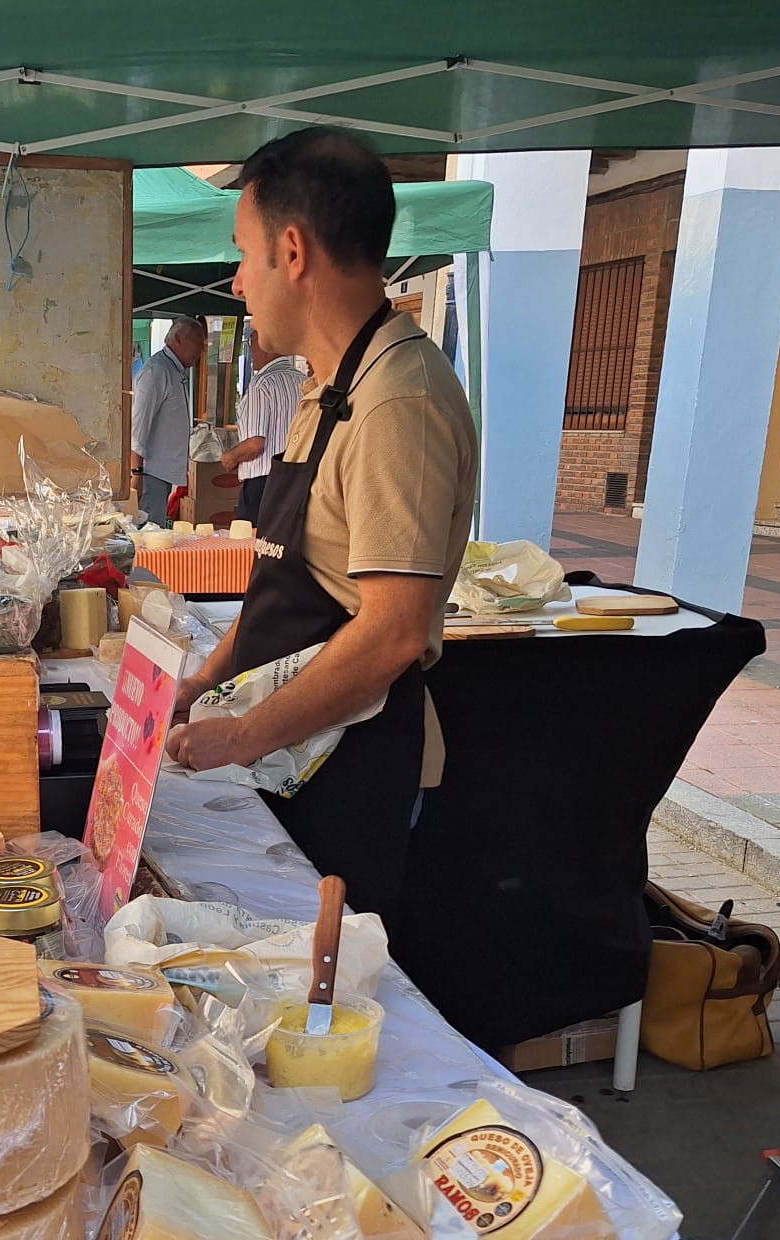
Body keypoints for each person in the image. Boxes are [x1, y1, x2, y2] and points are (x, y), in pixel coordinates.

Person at [165, 127, 478, 941]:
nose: (237, 282)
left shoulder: (396, 402)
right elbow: (285, 582)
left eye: (243, 253)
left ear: (293, 251)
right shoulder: (325, 389)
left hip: (348, 768)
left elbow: (394, 631)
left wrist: (241, 734)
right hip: (288, 755)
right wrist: (202, 684)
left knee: (323, 992)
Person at [222, 330, 306, 523]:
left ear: (264, 346)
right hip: (299, 479)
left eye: (252, 346)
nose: (251, 354)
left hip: (264, 484)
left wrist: (231, 457)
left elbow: (254, 444)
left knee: (253, 546)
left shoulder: (262, 385)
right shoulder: (303, 381)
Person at [129, 314, 205, 527]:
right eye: (197, 342)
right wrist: (137, 474)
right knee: (149, 537)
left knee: (157, 532)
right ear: (178, 339)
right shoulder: (157, 371)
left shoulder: (174, 370)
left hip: (161, 474)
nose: (201, 350)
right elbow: (138, 426)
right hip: (150, 473)